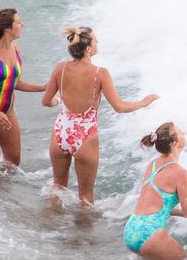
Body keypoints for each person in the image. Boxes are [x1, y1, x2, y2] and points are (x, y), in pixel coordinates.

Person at [40, 26, 157, 205]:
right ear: (88, 49)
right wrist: (143, 102)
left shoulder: (60, 68)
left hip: (60, 133)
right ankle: (83, 233)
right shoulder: (100, 73)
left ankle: (49, 229)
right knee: (86, 198)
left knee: (57, 188)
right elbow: (119, 107)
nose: (97, 43)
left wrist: (57, 101)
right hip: (85, 137)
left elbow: (46, 101)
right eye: (95, 40)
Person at [0, 8, 46, 171]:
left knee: (13, 162)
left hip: (7, 111)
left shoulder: (16, 50)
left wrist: (44, 88)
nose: (22, 25)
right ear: (7, 28)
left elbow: (14, 83)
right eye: (18, 22)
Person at [123, 122, 187, 260]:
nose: (184, 134)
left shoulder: (152, 165)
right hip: (150, 233)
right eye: (181, 132)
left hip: (131, 229)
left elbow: (158, 207)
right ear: (175, 142)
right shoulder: (180, 172)